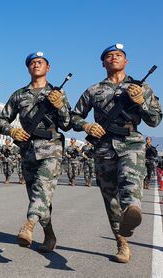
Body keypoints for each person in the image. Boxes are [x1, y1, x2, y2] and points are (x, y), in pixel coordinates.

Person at [71, 44, 161, 263]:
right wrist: (87, 127)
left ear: (126, 61)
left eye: (118, 55)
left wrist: (141, 102)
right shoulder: (93, 90)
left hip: (131, 142)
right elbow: (73, 118)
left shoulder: (142, 88)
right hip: (103, 146)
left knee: (130, 179)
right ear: (103, 63)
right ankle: (122, 241)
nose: (113, 58)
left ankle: (133, 208)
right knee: (110, 198)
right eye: (109, 56)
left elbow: (155, 119)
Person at [0, 52, 71, 253]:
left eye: (40, 62)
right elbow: (1, 120)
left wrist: (60, 106)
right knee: (38, 196)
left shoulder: (58, 94)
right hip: (28, 150)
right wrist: (12, 130)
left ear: (48, 68)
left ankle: (28, 226)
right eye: (32, 63)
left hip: (51, 148)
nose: (36, 65)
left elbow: (67, 123)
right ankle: (49, 235)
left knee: (41, 187)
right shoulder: (19, 95)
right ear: (28, 68)